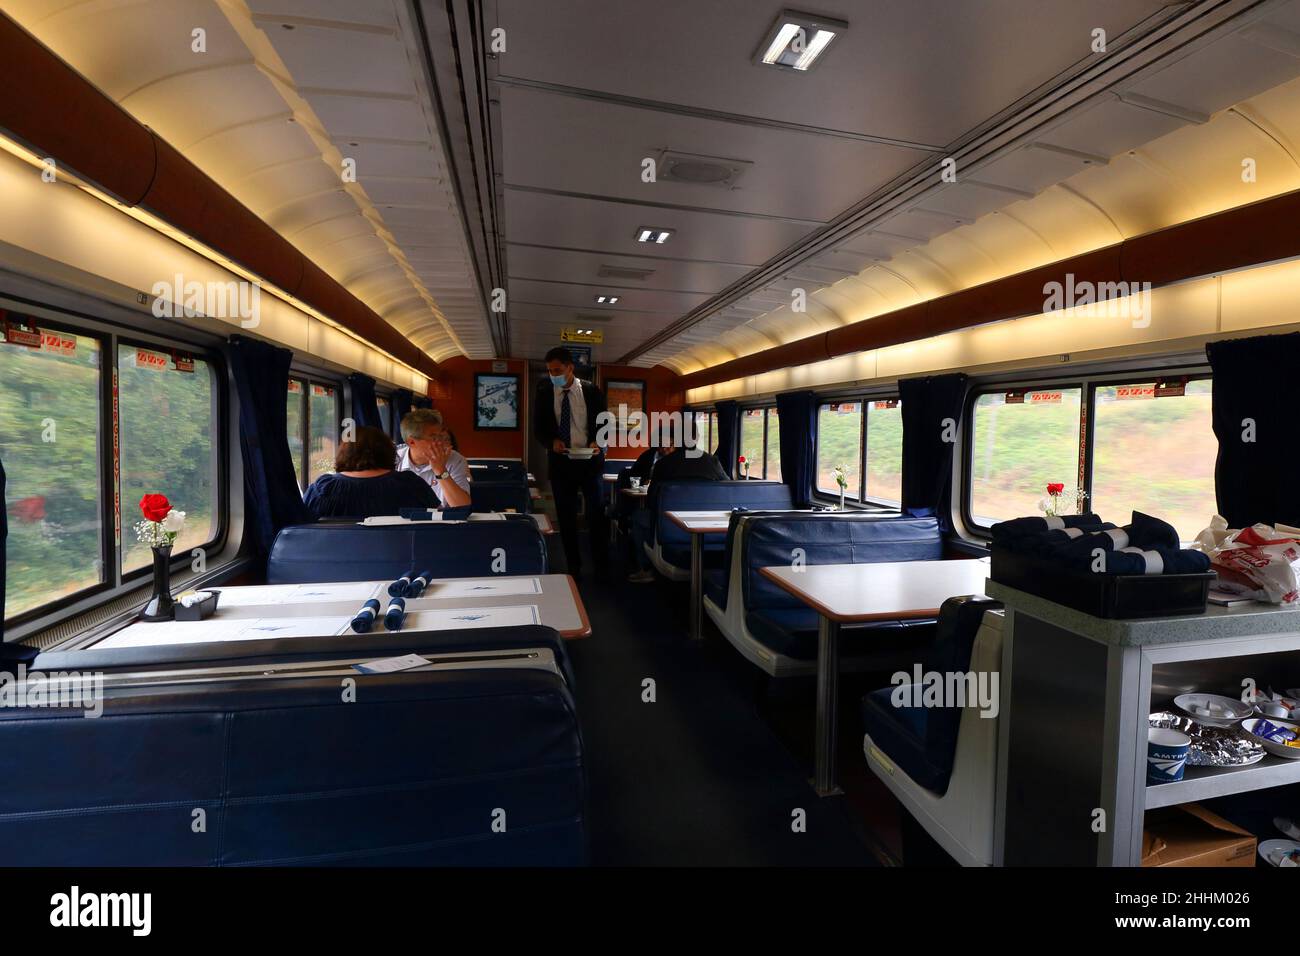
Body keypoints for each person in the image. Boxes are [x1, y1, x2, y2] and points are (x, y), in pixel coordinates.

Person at [534, 346, 608, 575]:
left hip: (590, 462)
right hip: (561, 463)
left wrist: (597, 441)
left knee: (596, 516)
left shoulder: (591, 391)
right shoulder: (545, 390)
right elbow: (539, 429)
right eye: (550, 371)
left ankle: (600, 566)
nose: (553, 375)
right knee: (566, 519)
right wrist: (551, 442)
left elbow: (603, 425)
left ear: (570, 368)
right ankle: (573, 566)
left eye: (557, 370)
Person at [626, 439, 730, 583]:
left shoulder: (663, 464)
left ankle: (646, 568)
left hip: (669, 526)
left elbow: (652, 499)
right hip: (712, 527)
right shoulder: (712, 461)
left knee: (638, 516)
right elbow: (728, 489)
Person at [303, 426, 438, 519]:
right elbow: (436, 521)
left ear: (344, 453)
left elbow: (305, 525)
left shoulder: (323, 489)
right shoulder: (411, 484)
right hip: (399, 557)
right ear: (388, 452)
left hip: (334, 558)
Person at [395, 408, 471, 509]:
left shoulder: (455, 459)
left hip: (441, 522)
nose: (440, 442)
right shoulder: (393, 458)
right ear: (411, 442)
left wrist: (440, 470)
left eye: (441, 436)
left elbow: (463, 507)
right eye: (434, 438)